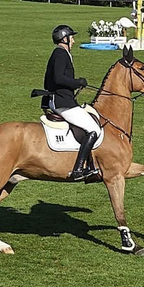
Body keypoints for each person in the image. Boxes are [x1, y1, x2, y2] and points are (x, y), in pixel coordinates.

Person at [43, 24, 100, 181]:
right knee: (93, 129)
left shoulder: (61, 53)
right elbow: (58, 78)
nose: (73, 41)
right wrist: (77, 82)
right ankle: (78, 169)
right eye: (72, 37)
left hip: (62, 98)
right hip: (62, 101)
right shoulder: (60, 54)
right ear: (64, 38)